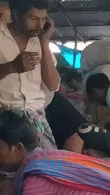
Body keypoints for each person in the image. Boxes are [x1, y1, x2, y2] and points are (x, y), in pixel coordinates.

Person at [0, 0, 59, 149]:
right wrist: (11, 67)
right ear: (16, 14)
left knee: (47, 167)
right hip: (5, 117)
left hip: (36, 117)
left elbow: (52, 84)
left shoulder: (40, 41)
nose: (39, 25)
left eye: (43, 19)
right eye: (33, 19)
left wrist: (44, 42)